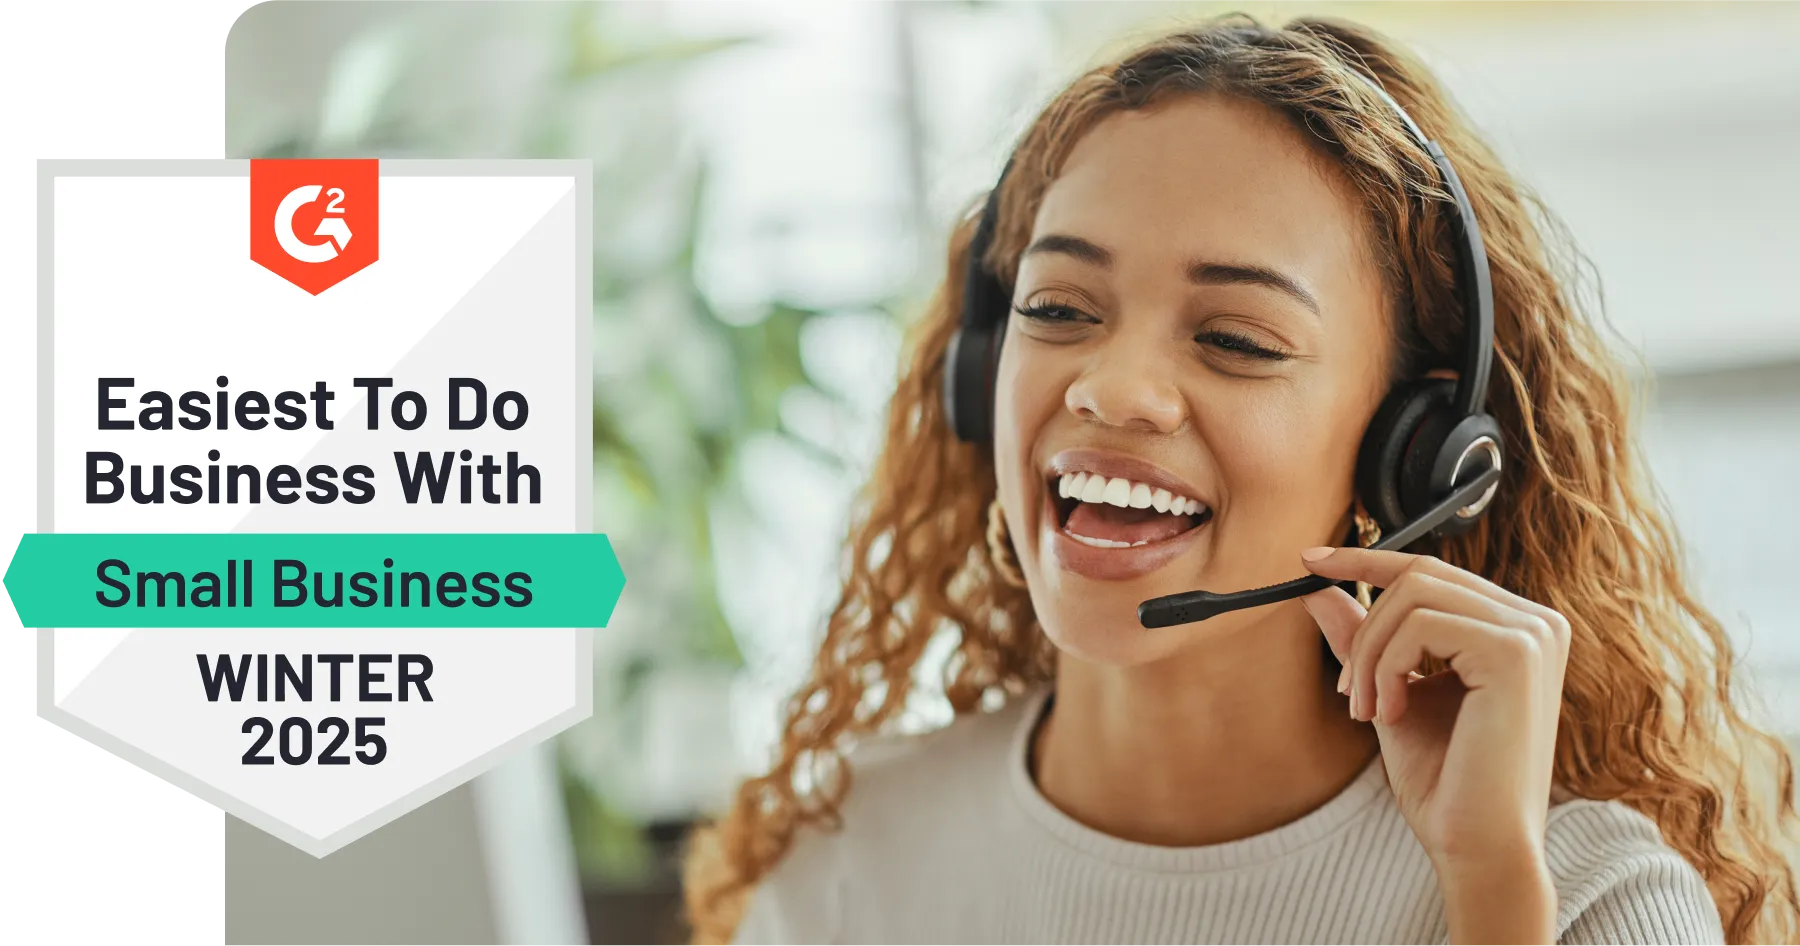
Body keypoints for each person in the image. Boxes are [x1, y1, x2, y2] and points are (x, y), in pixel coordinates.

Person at [682, 14, 1798, 946]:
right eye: (1060, 309)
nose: (1115, 390)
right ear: (982, 373)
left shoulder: (1581, 893)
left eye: (1237, 338)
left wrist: (1489, 893)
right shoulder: (845, 863)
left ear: (1416, 450)